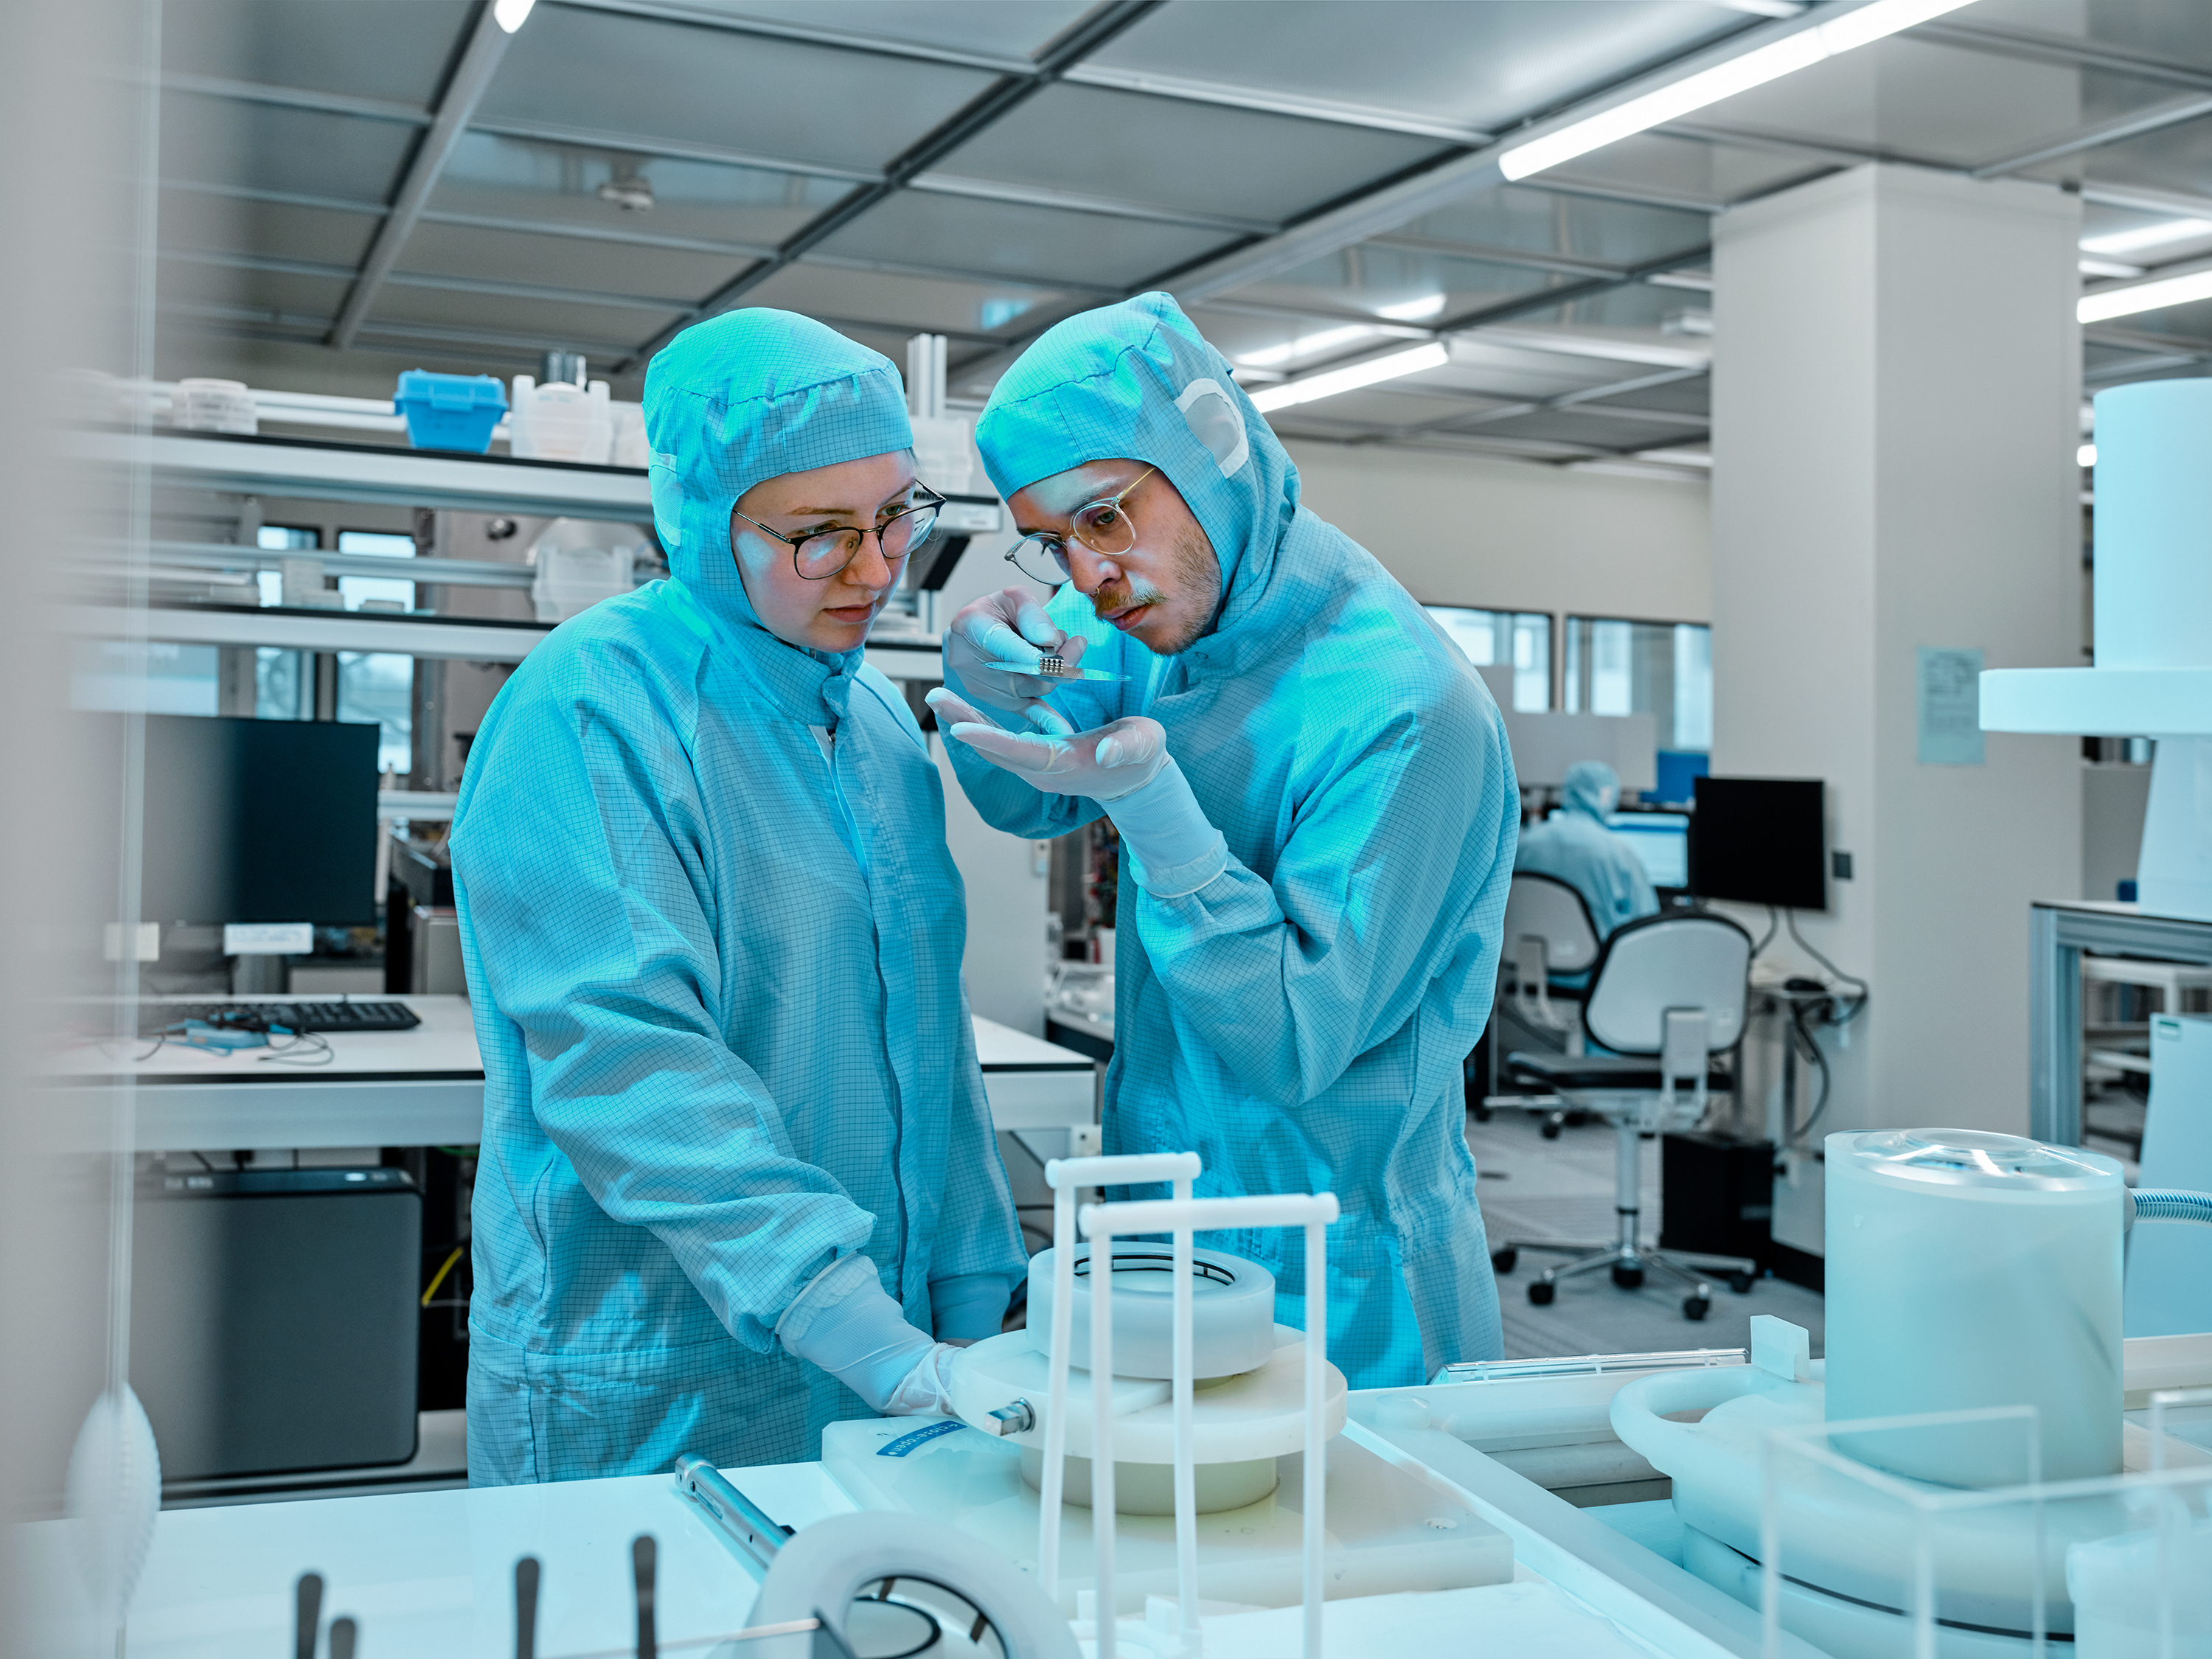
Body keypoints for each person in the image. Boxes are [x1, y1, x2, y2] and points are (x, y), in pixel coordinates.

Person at [450, 310, 1025, 1484]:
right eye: (818, 536)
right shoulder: (594, 704)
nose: (874, 570)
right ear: (709, 529)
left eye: (895, 517)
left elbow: (931, 1047)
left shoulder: (869, 721)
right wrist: (875, 1338)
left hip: (884, 1362)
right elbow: (633, 1064)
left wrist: (976, 1302)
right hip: (663, 1372)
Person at [924, 292, 1519, 1388]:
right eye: (1055, 542)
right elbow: (1039, 798)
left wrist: (1163, 820)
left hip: (1336, 1275)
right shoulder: (1170, 623)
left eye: (1104, 518)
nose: (1090, 577)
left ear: (1212, 446)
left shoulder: (1408, 710)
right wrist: (996, 695)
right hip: (1161, 1232)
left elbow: (1294, 1037)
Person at [1514, 760, 1658, 940]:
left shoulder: (1526, 844)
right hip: (1599, 966)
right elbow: (1647, 927)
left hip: (1529, 962)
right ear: (1607, 796)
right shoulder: (1619, 854)